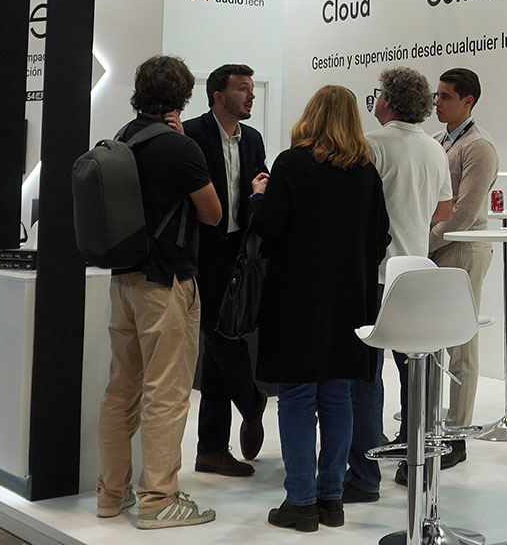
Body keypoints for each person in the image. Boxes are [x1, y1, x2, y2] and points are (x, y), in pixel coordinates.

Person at [248, 85, 390, 532]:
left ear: (311, 114)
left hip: (296, 299)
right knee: (336, 394)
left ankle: (301, 500)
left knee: (296, 395)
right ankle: (331, 498)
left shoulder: (291, 164)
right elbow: (381, 237)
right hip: (349, 300)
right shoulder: (365, 171)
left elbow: (269, 225)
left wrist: (257, 196)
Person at [96, 55, 224, 530]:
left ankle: (111, 493)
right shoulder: (178, 146)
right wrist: (188, 147)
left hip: (123, 281)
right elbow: (212, 214)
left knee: (121, 390)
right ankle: (157, 500)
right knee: (166, 393)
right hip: (166, 283)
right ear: (183, 96)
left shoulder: (122, 138)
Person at [345, 67, 452, 503]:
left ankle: (364, 476)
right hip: (417, 272)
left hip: (375, 273)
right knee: (415, 373)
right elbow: (443, 209)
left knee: (365, 375)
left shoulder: (372, 144)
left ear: (387, 100)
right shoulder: (434, 148)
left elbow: (356, 208)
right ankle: (415, 463)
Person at [181, 64, 269, 478]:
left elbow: (259, 187)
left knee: (220, 345)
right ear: (218, 96)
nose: (250, 96)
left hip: (239, 253)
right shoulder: (192, 134)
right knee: (220, 337)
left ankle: (211, 449)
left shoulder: (252, 139)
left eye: (251, 88)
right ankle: (252, 402)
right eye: (242, 89)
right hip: (200, 253)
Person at [426, 67, 498, 467]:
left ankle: (457, 434)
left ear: (468, 101)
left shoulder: (478, 146)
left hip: (463, 251)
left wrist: (426, 242)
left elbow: (464, 212)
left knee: (461, 347)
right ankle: (431, 426)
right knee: (432, 341)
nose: (437, 103)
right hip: (438, 249)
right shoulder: (439, 142)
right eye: (436, 95)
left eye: (446, 96)